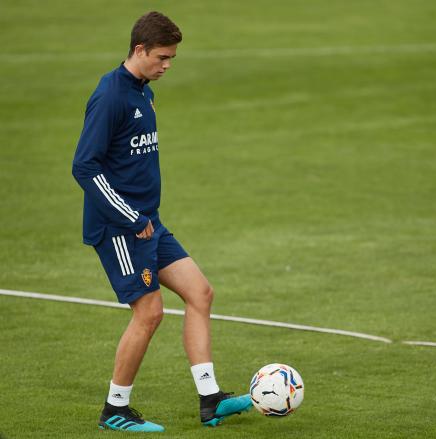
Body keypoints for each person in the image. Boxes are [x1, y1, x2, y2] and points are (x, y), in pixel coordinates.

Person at [72, 11, 252, 432]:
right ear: (140, 50)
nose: (168, 65)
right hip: (121, 228)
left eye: (172, 57)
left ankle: (210, 399)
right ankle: (115, 409)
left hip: (149, 222)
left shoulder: (142, 90)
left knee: (200, 293)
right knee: (149, 313)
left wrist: (143, 217)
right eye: (163, 57)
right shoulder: (111, 95)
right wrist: (131, 216)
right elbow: (84, 167)